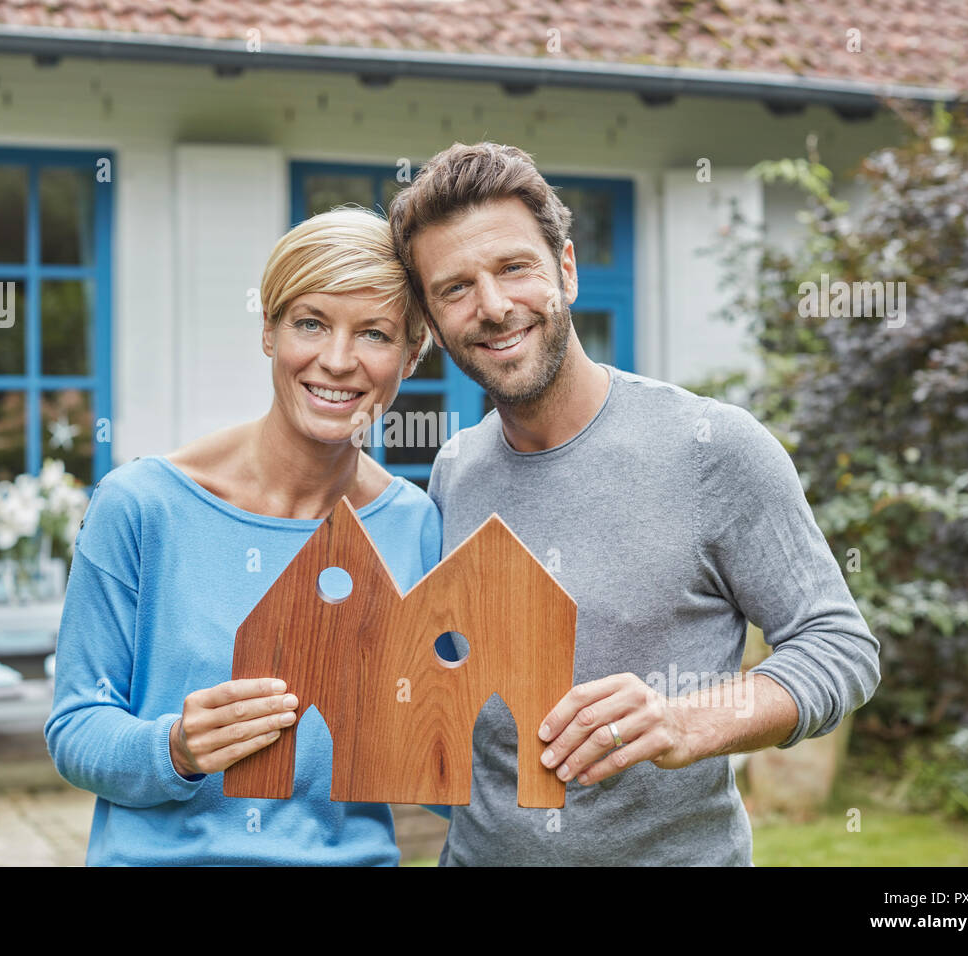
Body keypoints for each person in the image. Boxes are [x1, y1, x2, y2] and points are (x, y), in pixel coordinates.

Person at [387, 142, 882, 866]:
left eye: (514, 268)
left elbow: (840, 648)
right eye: (455, 288)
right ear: (432, 318)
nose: (492, 306)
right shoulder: (454, 470)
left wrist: (688, 722)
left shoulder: (715, 447)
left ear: (566, 270)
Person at [45, 208, 438, 865]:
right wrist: (173, 748)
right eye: (310, 323)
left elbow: (440, 748)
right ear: (269, 331)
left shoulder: (414, 525)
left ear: (411, 355)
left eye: (374, 334)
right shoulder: (142, 506)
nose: (336, 361)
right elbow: (75, 727)